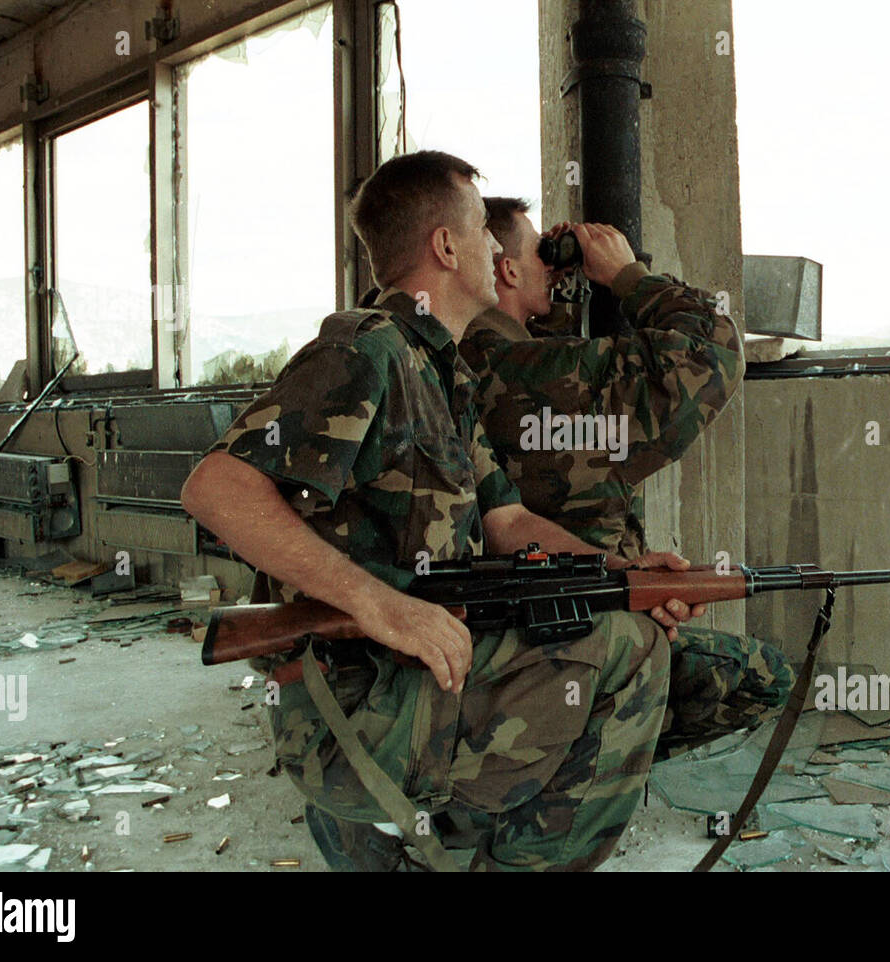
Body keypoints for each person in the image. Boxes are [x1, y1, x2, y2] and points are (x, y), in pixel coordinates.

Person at [181, 151, 702, 871]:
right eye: (482, 233)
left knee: (627, 618)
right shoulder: (366, 350)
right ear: (446, 246)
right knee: (628, 651)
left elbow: (507, 522)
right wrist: (379, 605)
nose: (498, 247)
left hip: (412, 682)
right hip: (362, 698)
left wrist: (621, 571)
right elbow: (215, 488)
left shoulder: (440, 372)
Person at [459, 198, 792, 759]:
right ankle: (585, 763)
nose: (552, 264)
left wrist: (556, 283)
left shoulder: (459, 362)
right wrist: (626, 275)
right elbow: (711, 352)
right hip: (590, 624)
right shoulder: (535, 374)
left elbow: (558, 362)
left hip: (500, 635)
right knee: (765, 676)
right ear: (508, 269)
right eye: (539, 253)